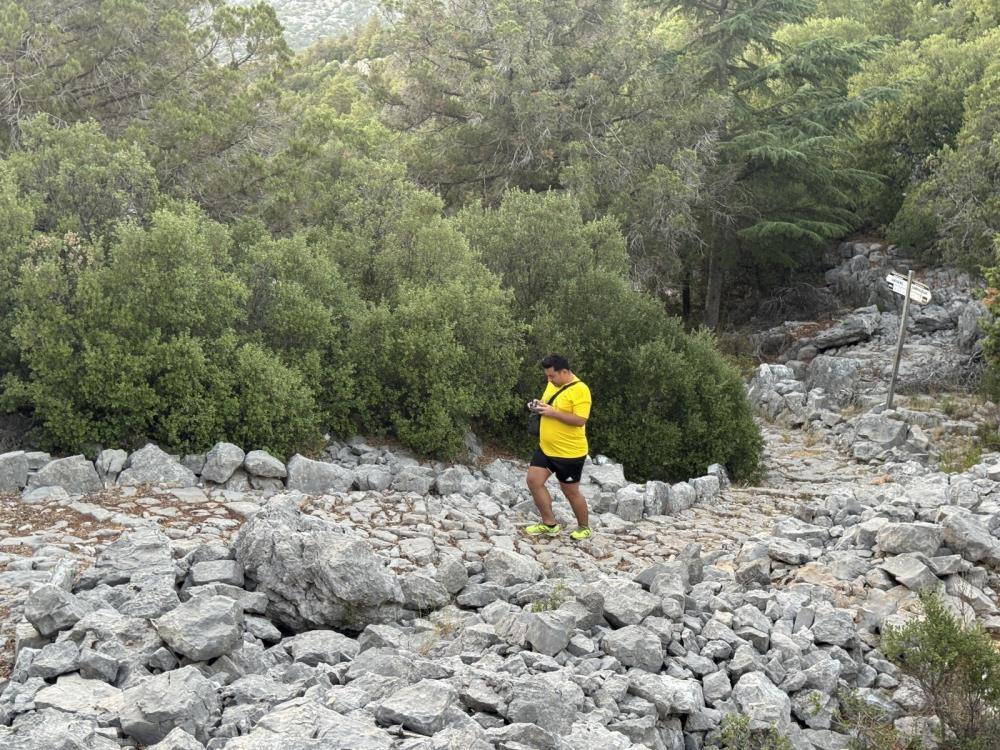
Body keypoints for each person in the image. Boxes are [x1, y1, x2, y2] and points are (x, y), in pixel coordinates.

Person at [524, 353, 593, 540]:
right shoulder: (553, 384)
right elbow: (549, 403)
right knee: (533, 481)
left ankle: (584, 527)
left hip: (569, 453)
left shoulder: (581, 390)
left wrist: (554, 413)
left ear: (564, 371)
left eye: (552, 376)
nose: (549, 379)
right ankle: (549, 524)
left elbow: (580, 420)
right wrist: (537, 406)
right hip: (546, 448)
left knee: (570, 491)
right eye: (547, 376)